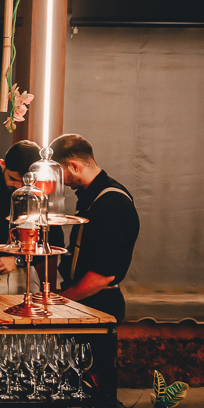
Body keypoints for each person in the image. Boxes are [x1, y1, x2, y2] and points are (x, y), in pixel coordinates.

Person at [51, 134, 139, 321]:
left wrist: (60, 302)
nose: (60, 181)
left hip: (98, 304)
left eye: (59, 173)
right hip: (84, 298)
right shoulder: (92, 195)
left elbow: (103, 275)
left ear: (74, 166)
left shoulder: (111, 202)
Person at [0, 140, 65, 295]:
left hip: (24, 273)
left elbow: (55, 240)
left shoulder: (40, 192)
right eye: (13, 179)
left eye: (24, 181)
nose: (19, 186)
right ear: (2, 164)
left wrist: (18, 260)